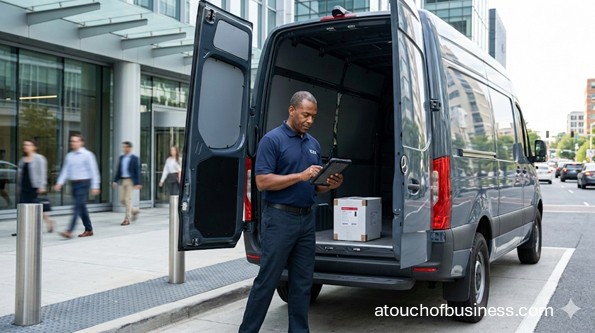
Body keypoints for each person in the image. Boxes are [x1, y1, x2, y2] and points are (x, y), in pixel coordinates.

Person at [238, 91, 344, 333]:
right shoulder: (272, 140)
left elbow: (314, 186)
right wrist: (301, 175)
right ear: (292, 110)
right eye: (305, 115)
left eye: (313, 117)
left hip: (306, 220)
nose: (309, 120)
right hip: (279, 219)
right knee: (267, 281)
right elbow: (263, 182)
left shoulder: (313, 144)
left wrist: (328, 184)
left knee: (303, 283)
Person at [54, 133, 101, 238]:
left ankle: (69, 230)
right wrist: (60, 182)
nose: (73, 143)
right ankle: (89, 229)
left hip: (84, 183)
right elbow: (65, 171)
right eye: (71, 141)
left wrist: (95, 186)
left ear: (81, 142)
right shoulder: (69, 156)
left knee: (76, 207)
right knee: (81, 207)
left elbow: (94, 171)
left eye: (75, 141)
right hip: (74, 184)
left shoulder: (88, 155)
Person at [12, 139, 55, 236]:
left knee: (39, 209)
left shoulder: (40, 158)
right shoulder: (22, 160)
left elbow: (43, 173)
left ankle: (49, 222)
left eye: (28, 145)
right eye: (25, 145)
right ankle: (21, 229)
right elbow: (20, 175)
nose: (26, 146)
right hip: (24, 187)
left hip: (34, 187)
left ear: (34, 147)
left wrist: (42, 186)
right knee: (22, 209)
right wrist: (18, 188)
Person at [112, 141, 142, 226]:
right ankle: (134, 210)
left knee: (128, 199)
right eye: (123, 147)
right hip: (122, 180)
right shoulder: (121, 158)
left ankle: (127, 219)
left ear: (130, 148)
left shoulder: (134, 158)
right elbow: (118, 171)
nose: (124, 148)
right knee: (122, 200)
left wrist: (138, 182)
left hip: (130, 181)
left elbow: (137, 171)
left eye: (126, 147)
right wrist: (115, 181)